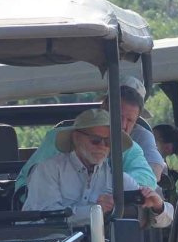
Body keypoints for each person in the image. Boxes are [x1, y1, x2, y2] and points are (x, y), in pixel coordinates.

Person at [22, 109, 172, 226]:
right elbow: (47, 219)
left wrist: (157, 206)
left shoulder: (117, 178)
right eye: (95, 140)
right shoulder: (48, 170)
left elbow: (166, 220)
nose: (102, 147)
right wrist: (94, 211)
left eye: (108, 142)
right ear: (76, 138)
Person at [16, 82, 159, 193]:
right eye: (94, 141)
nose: (122, 125)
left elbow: (148, 179)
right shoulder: (56, 140)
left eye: (130, 120)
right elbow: (31, 182)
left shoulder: (130, 148)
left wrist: (104, 189)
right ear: (76, 138)